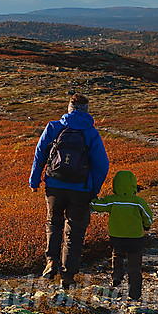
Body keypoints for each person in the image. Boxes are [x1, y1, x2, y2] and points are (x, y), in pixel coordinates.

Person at [29, 93, 110, 289]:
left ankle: (50, 263)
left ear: (69, 108)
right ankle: (68, 276)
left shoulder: (54, 127)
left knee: (53, 223)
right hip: (81, 189)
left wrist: (34, 179)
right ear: (86, 110)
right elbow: (102, 165)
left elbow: (40, 153)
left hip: (54, 185)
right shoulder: (91, 133)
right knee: (74, 232)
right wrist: (93, 189)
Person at [91, 170, 153, 300]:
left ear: (115, 185)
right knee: (134, 266)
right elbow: (147, 217)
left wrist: (91, 195)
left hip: (117, 237)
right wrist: (146, 225)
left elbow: (96, 205)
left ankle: (116, 277)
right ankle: (134, 294)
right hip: (135, 239)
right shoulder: (138, 202)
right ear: (133, 185)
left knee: (117, 254)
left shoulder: (112, 201)